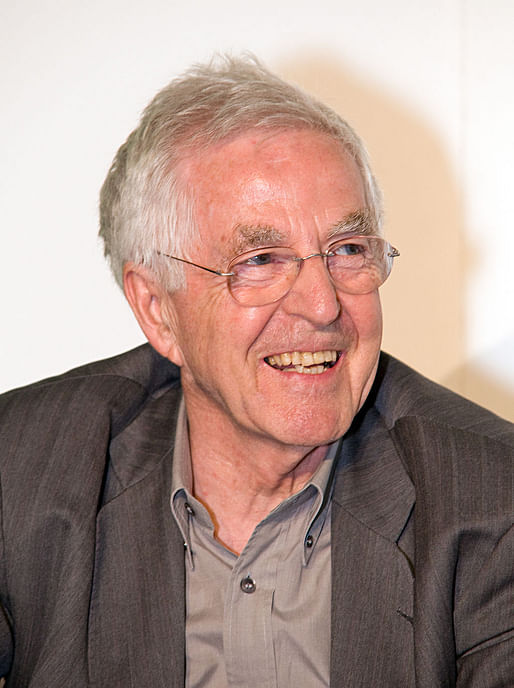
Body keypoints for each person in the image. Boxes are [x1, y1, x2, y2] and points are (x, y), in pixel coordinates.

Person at [0, 55, 512, 688]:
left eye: (348, 250)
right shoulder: (21, 473)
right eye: (262, 259)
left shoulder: (493, 498)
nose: (323, 305)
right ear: (158, 310)